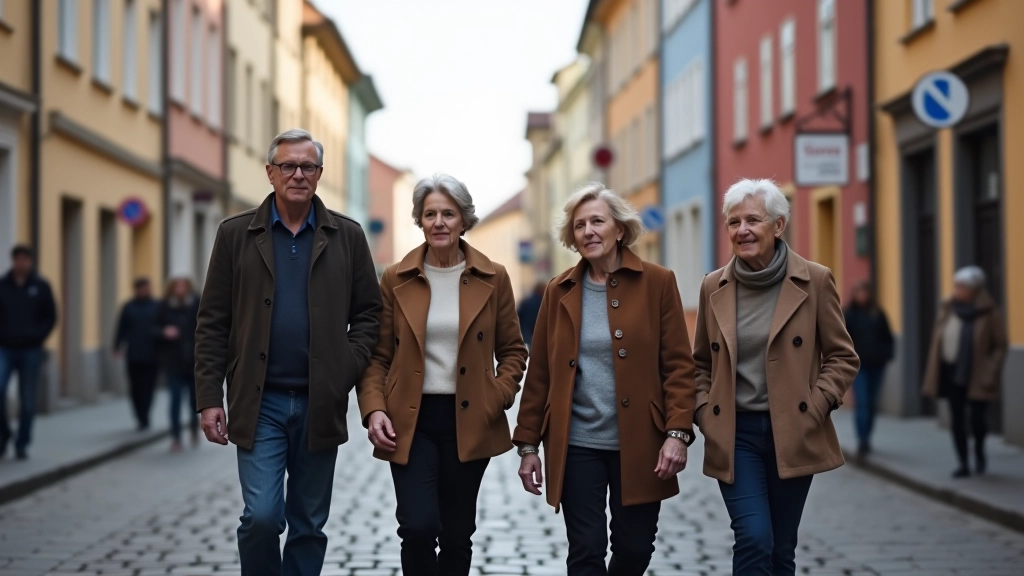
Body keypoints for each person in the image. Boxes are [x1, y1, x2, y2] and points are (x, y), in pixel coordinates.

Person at [195, 129, 381, 576]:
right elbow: (212, 321)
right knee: (261, 516)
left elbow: (370, 316)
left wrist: (343, 367)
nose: (298, 174)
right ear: (270, 173)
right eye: (288, 166)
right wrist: (207, 397)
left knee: (309, 524)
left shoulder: (348, 237)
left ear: (319, 174)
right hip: (260, 402)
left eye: (308, 167)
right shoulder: (236, 234)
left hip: (322, 400)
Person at [513, 184, 696, 576]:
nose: (589, 231)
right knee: (586, 550)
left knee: (634, 548)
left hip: (643, 442)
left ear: (619, 229)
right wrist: (528, 444)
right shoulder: (558, 290)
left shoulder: (658, 282)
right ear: (572, 237)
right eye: (579, 225)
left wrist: (677, 433)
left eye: (598, 221)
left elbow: (679, 366)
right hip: (578, 443)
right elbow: (540, 373)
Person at [357, 174, 528, 576]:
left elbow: (513, 351)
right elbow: (377, 356)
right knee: (416, 527)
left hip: (470, 418)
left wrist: (496, 395)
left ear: (464, 220)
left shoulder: (494, 276)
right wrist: (373, 409)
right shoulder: (395, 277)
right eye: (429, 213)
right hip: (410, 420)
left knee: (456, 533)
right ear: (419, 220)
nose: (438, 222)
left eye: (448, 214)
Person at [691, 178, 859, 575]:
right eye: (733, 222)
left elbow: (841, 355)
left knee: (781, 549)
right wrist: (704, 414)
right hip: (735, 433)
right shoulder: (714, 286)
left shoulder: (815, 280)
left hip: (794, 430)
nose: (742, 230)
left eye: (753, 220)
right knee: (753, 537)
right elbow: (699, 363)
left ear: (778, 226)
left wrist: (814, 408)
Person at [922, 266, 1007, 478]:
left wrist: (991, 369)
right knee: (957, 419)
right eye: (957, 286)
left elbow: (1000, 345)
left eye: (962, 287)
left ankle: (979, 450)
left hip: (978, 374)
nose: (957, 290)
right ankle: (963, 462)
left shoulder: (989, 312)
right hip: (951, 372)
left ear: (975, 289)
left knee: (978, 419)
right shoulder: (948, 307)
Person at [0, 245, 57, 460]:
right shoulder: (3, 285)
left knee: (28, 400)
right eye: (18, 259)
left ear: (30, 261)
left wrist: (37, 336)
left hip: (31, 349)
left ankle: (22, 443)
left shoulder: (41, 286)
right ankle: (3, 434)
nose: (22, 263)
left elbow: (51, 317)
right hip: (4, 348)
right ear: (13, 261)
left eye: (25, 259)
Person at [843, 281, 895, 457]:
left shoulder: (877, 314)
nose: (862, 296)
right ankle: (862, 439)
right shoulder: (848, 314)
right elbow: (841, 338)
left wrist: (886, 355)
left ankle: (867, 436)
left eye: (865, 292)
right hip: (858, 366)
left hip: (877, 364)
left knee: (872, 403)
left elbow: (887, 336)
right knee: (863, 402)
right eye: (859, 292)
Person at [156, 277, 200, 452]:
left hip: (194, 362)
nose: (180, 290)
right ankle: (176, 437)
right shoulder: (164, 306)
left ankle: (194, 429)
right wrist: (163, 332)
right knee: (174, 399)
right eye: (177, 287)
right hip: (172, 362)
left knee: (194, 401)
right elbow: (152, 328)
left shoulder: (196, 304)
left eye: (184, 287)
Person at [115, 277, 160, 431]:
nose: (145, 290)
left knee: (148, 387)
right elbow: (121, 327)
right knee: (135, 387)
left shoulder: (156, 306)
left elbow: (162, 327)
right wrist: (117, 345)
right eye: (142, 288)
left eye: (147, 287)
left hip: (152, 355)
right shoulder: (129, 307)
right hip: (133, 354)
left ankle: (145, 415)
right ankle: (139, 415)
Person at [516, 282, 546, 349]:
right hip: (535, 331)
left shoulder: (526, 301)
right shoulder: (541, 302)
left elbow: (519, 314)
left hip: (525, 329)